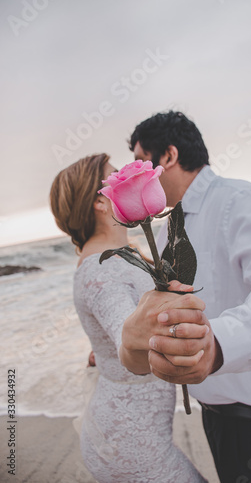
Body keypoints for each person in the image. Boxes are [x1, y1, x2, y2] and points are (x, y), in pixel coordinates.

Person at [122, 111, 251, 483]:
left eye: (139, 162)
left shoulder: (237, 199)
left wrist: (219, 345)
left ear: (169, 156)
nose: (134, 174)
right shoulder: (165, 232)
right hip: (215, 410)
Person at [49, 153, 208, 483]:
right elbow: (130, 337)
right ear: (100, 202)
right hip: (128, 444)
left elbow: (117, 327)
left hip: (132, 434)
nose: (124, 175)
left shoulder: (118, 258)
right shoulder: (102, 269)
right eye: (115, 175)